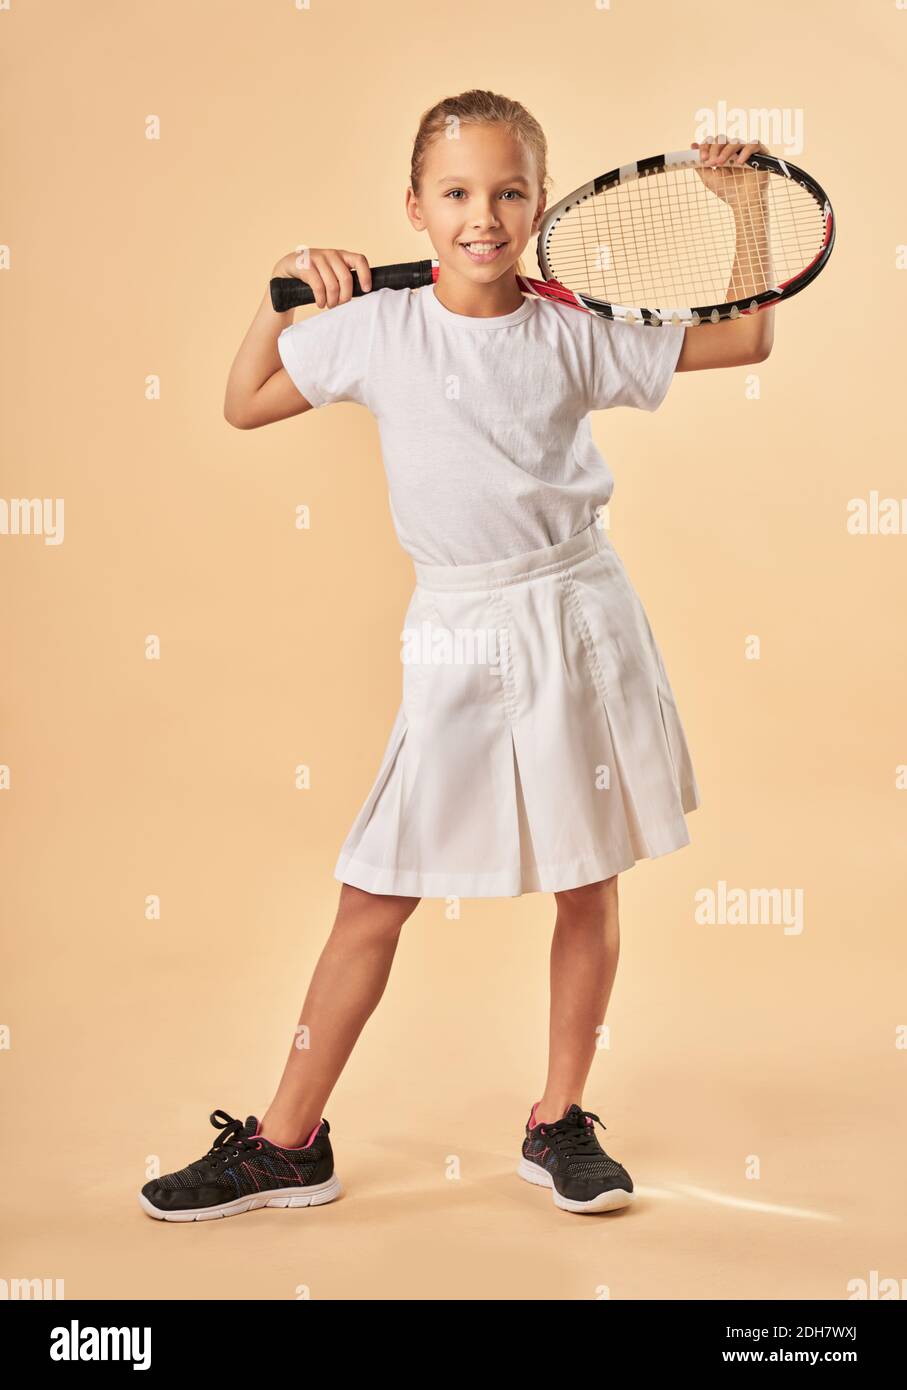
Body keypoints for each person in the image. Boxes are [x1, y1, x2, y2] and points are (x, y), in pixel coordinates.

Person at [139, 89, 773, 1222]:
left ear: (538, 200)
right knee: (375, 890)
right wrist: (276, 293)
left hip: (577, 620)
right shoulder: (375, 330)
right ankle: (287, 1143)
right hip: (455, 629)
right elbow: (244, 400)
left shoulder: (574, 324)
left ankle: (557, 1120)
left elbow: (749, 333)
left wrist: (742, 210)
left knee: (588, 878)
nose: (484, 215)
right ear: (415, 208)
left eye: (508, 192)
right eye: (457, 194)